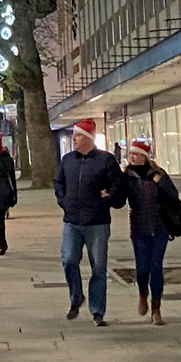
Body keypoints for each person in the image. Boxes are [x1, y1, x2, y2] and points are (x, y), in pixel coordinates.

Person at [54, 118, 124, 324]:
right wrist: (63, 200)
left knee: (99, 267)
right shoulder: (67, 161)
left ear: (87, 138)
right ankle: (76, 297)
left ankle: (97, 311)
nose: (73, 139)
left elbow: (118, 186)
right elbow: (59, 182)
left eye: (76, 135)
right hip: (72, 221)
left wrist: (109, 197)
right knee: (68, 259)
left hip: (97, 222)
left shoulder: (106, 160)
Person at [115, 137, 181, 325]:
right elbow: (120, 199)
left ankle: (156, 309)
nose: (132, 157)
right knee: (142, 268)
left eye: (136, 154)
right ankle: (142, 294)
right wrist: (108, 195)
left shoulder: (159, 173)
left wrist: (160, 182)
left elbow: (173, 195)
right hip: (139, 229)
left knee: (156, 267)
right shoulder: (127, 176)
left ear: (145, 157)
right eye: (131, 154)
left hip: (160, 227)